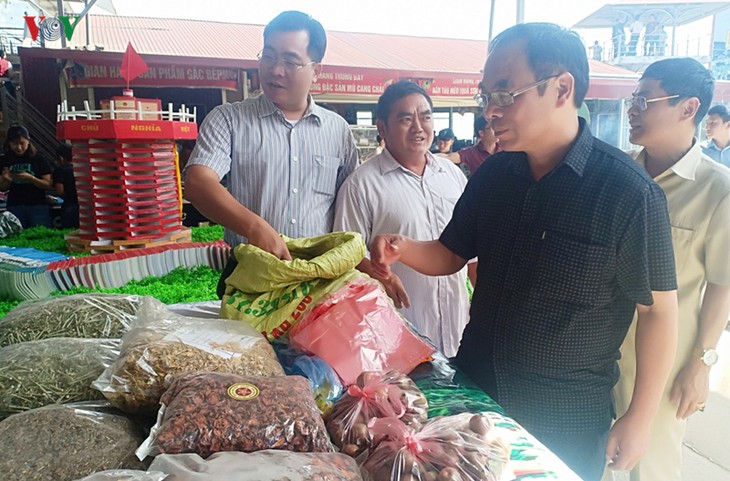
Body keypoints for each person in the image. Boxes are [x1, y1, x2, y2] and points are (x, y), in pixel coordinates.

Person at [369, 23, 678, 481]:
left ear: (562, 88)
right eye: (487, 95)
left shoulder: (628, 194)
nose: (491, 110)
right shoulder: (495, 176)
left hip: (565, 417)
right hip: (475, 398)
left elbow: (658, 312)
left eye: (505, 93)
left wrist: (639, 417)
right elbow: (450, 254)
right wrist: (402, 248)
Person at [183, 10, 358, 298]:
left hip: (318, 279)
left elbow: (351, 205)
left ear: (316, 70)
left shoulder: (337, 130)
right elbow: (199, 182)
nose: (276, 70)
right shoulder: (229, 120)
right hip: (250, 276)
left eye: (290, 61)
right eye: (268, 56)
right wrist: (254, 227)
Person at [613, 58, 730, 481]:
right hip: (593, 354)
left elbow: (721, 286)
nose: (633, 109)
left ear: (688, 108)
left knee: (653, 468)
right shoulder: (617, 173)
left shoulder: (718, 191)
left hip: (661, 369)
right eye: (633, 99)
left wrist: (701, 365)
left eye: (645, 100)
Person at [334, 80, 470, 357]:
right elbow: (346, 258)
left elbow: (472, 251)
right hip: (398, 338)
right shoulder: (361, 185)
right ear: (382, 128)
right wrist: (381, 273)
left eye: (426, 116)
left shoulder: (453, 176)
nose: (419, 127)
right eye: (406, 119)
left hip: (460, 333)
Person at [0, 125, 54, 228]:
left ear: (28, 141)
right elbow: (2, 188)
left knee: (40, 236)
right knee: (17, 237)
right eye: (15, 144)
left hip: (37, 205)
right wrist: (6, 180)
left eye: (22, 143)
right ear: (9, 143)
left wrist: (31, 178)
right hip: (15, 205)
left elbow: (48, 184)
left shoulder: (39, 158)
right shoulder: (4, 160)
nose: (19, 147)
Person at [52, 143, 79, 229]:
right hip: (84, 206)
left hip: (69, 206)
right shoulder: (80, 168)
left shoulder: (60, 170)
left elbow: (59, 191)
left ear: (61, 158)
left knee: (70, 233)